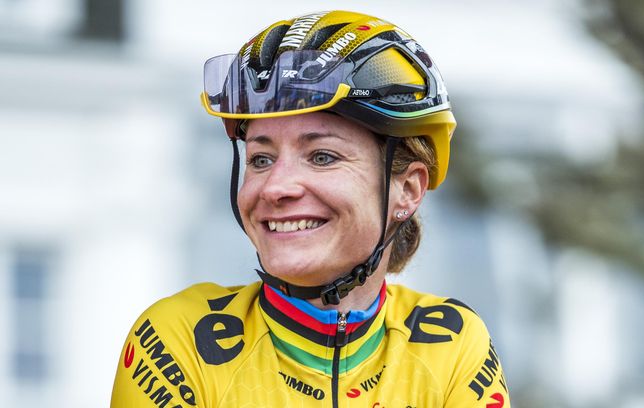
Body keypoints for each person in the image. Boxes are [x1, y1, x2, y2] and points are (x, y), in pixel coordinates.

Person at [111, 10, 509, 407]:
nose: (275, 187)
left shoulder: (451, 344)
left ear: (407, 189)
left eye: (322, 157)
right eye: (261, 159)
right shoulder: (180, 340)